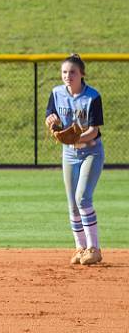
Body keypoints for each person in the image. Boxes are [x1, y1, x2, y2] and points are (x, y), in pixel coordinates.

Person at [45, 54, 105, 265]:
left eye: (72, 72)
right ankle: (80, 248)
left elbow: (94, 130)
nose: (67, 76)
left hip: (91, 152)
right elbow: (50, 116)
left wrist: (76, 137)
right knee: (72, 204)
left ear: (82, 74)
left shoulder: (92, 97)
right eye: (64, 72)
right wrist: (51, 122)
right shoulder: (56, 93)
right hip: (69, 154)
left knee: (83, 198)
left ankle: (94, 248)